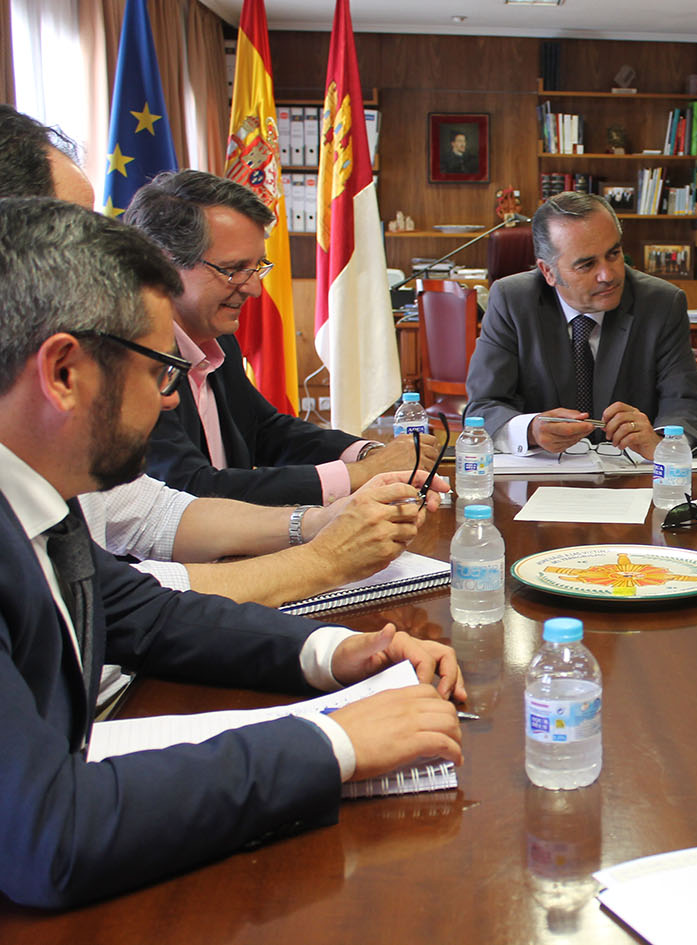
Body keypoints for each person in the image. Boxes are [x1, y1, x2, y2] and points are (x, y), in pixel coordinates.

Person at [0, 196, 465, 908]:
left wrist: (339, 651)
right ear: (64, 372)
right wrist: (333, 743)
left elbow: (151, 616)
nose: (169, 402)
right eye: (158, 370)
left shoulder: (42, 495)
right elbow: (49, 837)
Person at [0, 105, 446, 608]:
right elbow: (124, 595)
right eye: (77, 231)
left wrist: (322, 519)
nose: (254, 288)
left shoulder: (213, 340)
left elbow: (149, 513)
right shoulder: (114, 357)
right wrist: (324, 552)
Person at [125, 169, 439, 505]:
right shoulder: (130, 361)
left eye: (258, 267)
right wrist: (360, 475)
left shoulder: (216, 336)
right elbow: (189, 488)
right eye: (233, 270)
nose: (255, 289)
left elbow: (264, 429)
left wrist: (368, 454)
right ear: (162, 265)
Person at [464, 191, 697, 457]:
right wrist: (531, 430)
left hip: (632, 478)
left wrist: (662, 444)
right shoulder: (512, 301)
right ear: (548, 271)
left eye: (614, 254)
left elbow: (688, 405)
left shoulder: (661, 303)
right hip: (540, 479)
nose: (608, 275)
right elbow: (483, 407)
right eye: (587, 265)